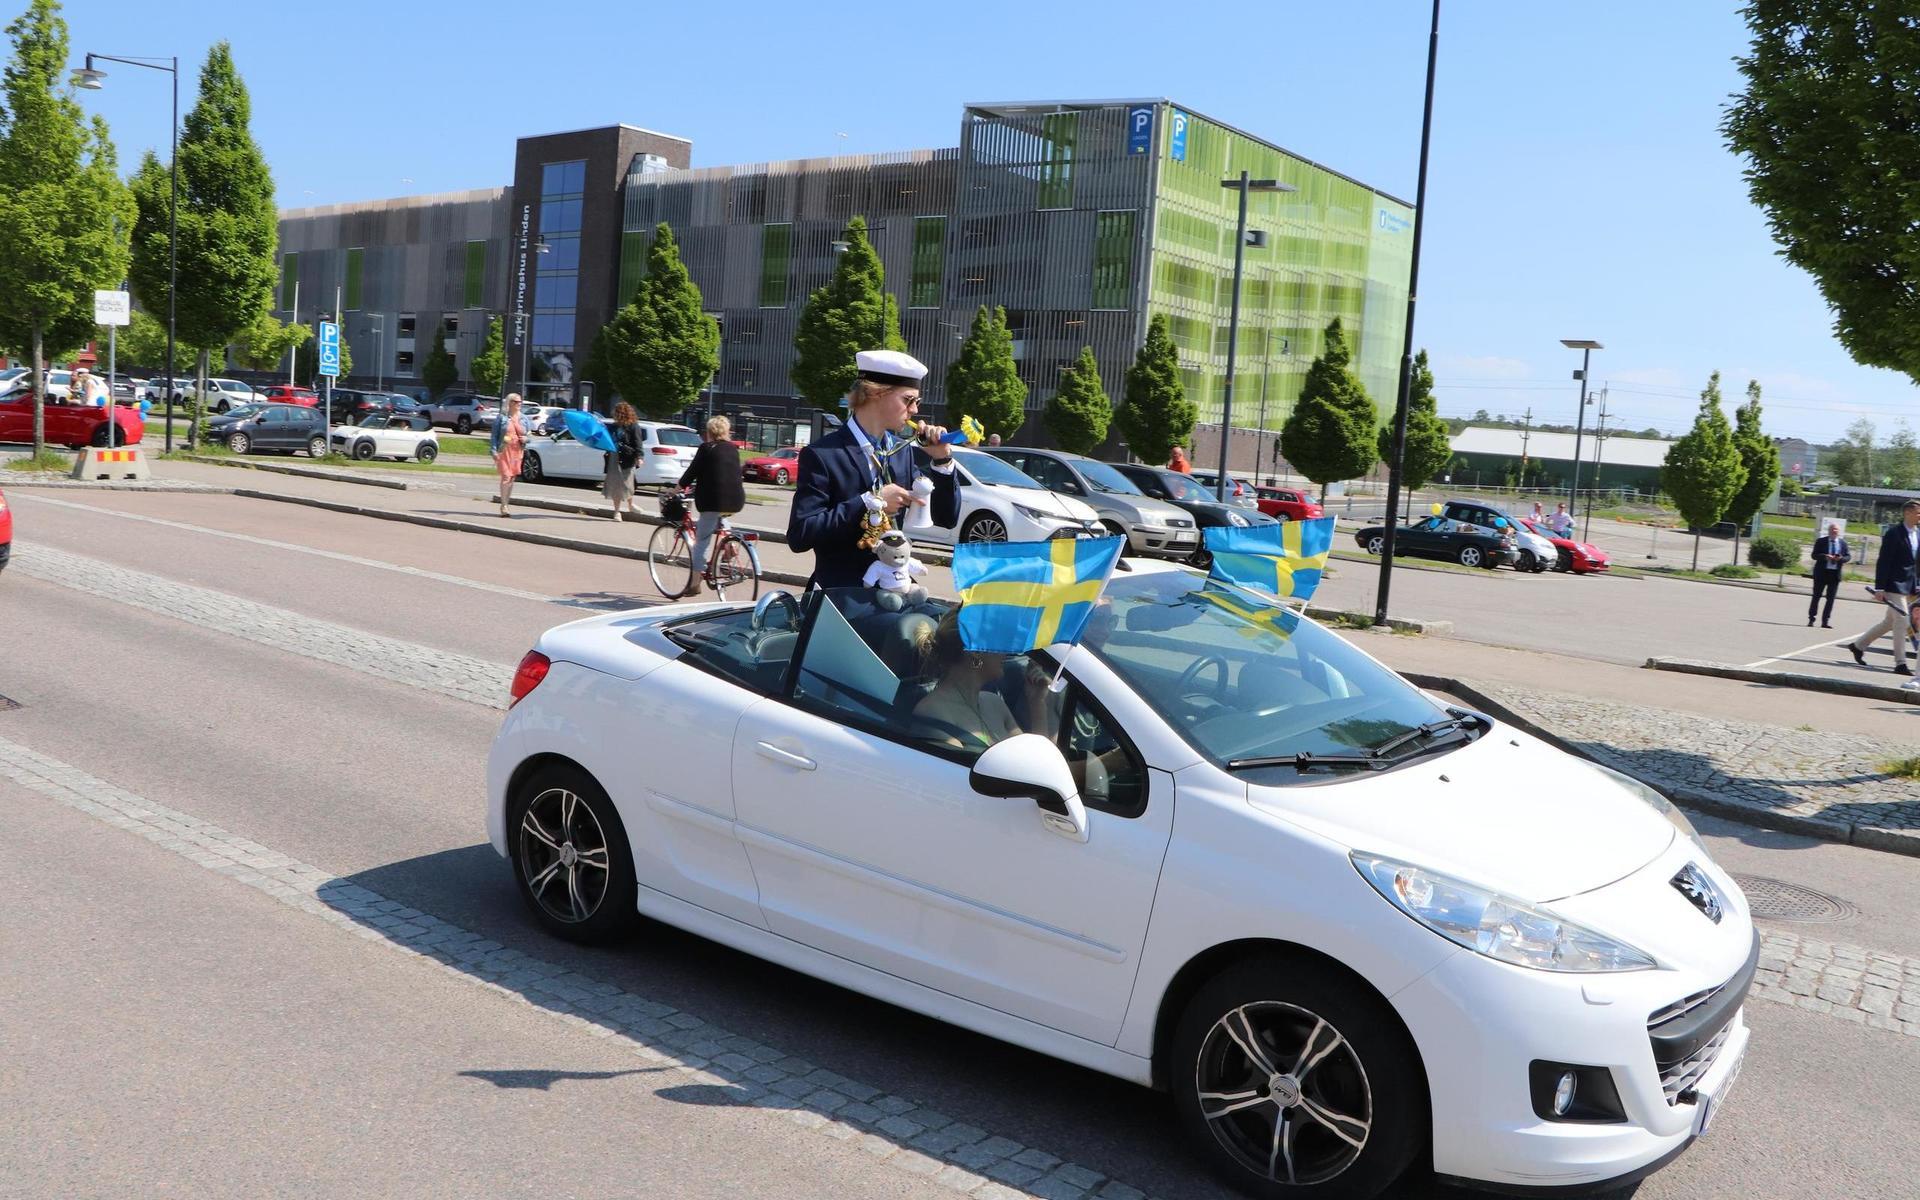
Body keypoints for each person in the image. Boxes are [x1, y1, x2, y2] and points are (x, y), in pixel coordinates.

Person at [789, 350, 959, 588]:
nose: (914, 411)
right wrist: (870, 501)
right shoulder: (823, 454)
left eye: (916, 402)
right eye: (908, 400)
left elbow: (946, 518)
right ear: (875, 393)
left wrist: (942, 461)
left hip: (895, 589)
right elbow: (800, 535)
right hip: (843, 594)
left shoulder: (900, 451)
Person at [910, 610, 1055, 751]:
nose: (1005, 651)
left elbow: (1036, 764)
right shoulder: (933, 713)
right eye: (999, 642)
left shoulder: (995, 703)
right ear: (976, 652)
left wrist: (1037, 704)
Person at [1846, 499, 1920, 676]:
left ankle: (1858, 646)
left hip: (1909, 585)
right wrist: (1879, 588)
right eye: (1918, 512)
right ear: (1908, 513)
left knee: (1890, 622)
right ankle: (1900, 663)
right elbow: (1884, 561)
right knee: (1902, 620)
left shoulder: (1918, 534)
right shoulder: (1894, 534)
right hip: (1893, 584)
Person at [678, 414, 746, 585]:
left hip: (713, 501)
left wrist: (675, 490)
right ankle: (731, 545)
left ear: (709, 432)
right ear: (726, 432)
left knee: (702, 540)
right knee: (721, 518)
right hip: (735, 500)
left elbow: (691, 473)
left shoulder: (706, 448)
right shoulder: (733, 449)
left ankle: (694, 584)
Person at [490, 393, 527, 517]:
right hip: (504, 450)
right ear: (510, 403)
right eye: (517, 402)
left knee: (512, 478)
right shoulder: (502, 418)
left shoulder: (523, 418)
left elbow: (529, 435)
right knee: (506, 476)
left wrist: (526, 439)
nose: (519, 404)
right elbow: (494, 436)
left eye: (521, 402)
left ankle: (506, 502)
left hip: (517, 451)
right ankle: (504, 505)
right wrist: (494, 451)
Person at [1809, 520, 1851, 628]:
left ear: (1839, 532)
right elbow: (1814, 555)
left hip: (1834, 574)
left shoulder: (1843, 543)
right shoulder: (1821, 541)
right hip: (1821, 573)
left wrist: (1840, 559)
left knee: (1830, 599)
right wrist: (1825, 556)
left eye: (1836, 530)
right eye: (1832, 529)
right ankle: (1811, 619)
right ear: (1829, 531)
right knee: (1816, 596)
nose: (1834, 531)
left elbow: (1848, 557)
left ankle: (1825, 621)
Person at [604, 402, 641, 521]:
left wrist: (640, 457)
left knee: (627, 484)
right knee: (616, 484)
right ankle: (617, 512)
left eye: (616, 412)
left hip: (627, 457)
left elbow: (638, 443)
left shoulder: (633, 426)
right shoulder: (613, 426)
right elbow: (607, 440)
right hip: (614, 456)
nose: (614, 415)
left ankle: (630, 505)